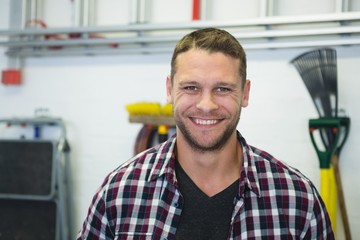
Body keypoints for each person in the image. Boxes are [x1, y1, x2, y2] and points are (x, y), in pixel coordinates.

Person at [77, 28, 334, 239]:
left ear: (245, 93)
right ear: (170, 89)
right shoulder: (119, 192)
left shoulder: (297, 198)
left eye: (223, 89)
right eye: (191, 87)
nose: (206, 105)